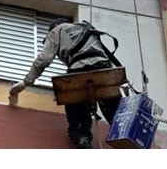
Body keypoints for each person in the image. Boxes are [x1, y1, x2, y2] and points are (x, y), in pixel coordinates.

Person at [9, 17, 122, 149]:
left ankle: (82, 139)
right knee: (115, 113)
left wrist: (24, 83)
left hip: (79, 69)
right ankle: (127, 138)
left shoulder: (55, 31)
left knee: (76, 106)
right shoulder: (85, 27)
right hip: (104, 69)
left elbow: (44, 59)